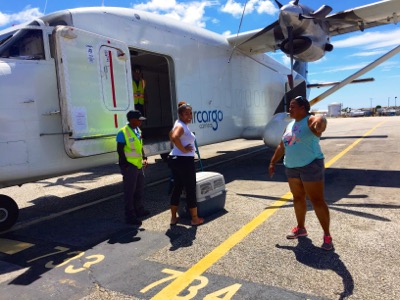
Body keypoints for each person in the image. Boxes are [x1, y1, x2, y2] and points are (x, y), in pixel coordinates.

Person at [268, 96, 333, 250]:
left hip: (310, 165)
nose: (289, 109)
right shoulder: (290, 125)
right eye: (290, 107)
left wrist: (321, 121)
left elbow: (320, 122)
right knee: (298, 198)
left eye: (293, 106)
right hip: (291, 167)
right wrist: (272, 162)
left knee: (317, 200)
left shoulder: (310, 121)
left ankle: (327, 235)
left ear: (303, 108)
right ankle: (301, 228)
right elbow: (282, 146)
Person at [168, 103, 204, 226]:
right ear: (180, 114)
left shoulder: (178, 123)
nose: (189, 115)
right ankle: (194, 219)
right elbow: (174, 136)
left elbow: (170, 134)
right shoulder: (181, 126)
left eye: (190, 113)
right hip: (184, 160)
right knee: (190, 189)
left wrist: (179, 149)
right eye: (186, 113)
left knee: (177, 187)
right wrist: (183, 150)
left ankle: (173, 218)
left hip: (176, 159)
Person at [116, 110, 150, 226]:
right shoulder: (123, 132)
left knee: (139, 189)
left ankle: (139, 209)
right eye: (139, 120)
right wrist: (124, 165)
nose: (141, 122)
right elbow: (120, 150)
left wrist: (144, 157)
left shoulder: (137, 130)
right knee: (130, 192)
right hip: (130, 166)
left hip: (139, 164)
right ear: (132, 120)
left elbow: (140, 146)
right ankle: (130, 215)